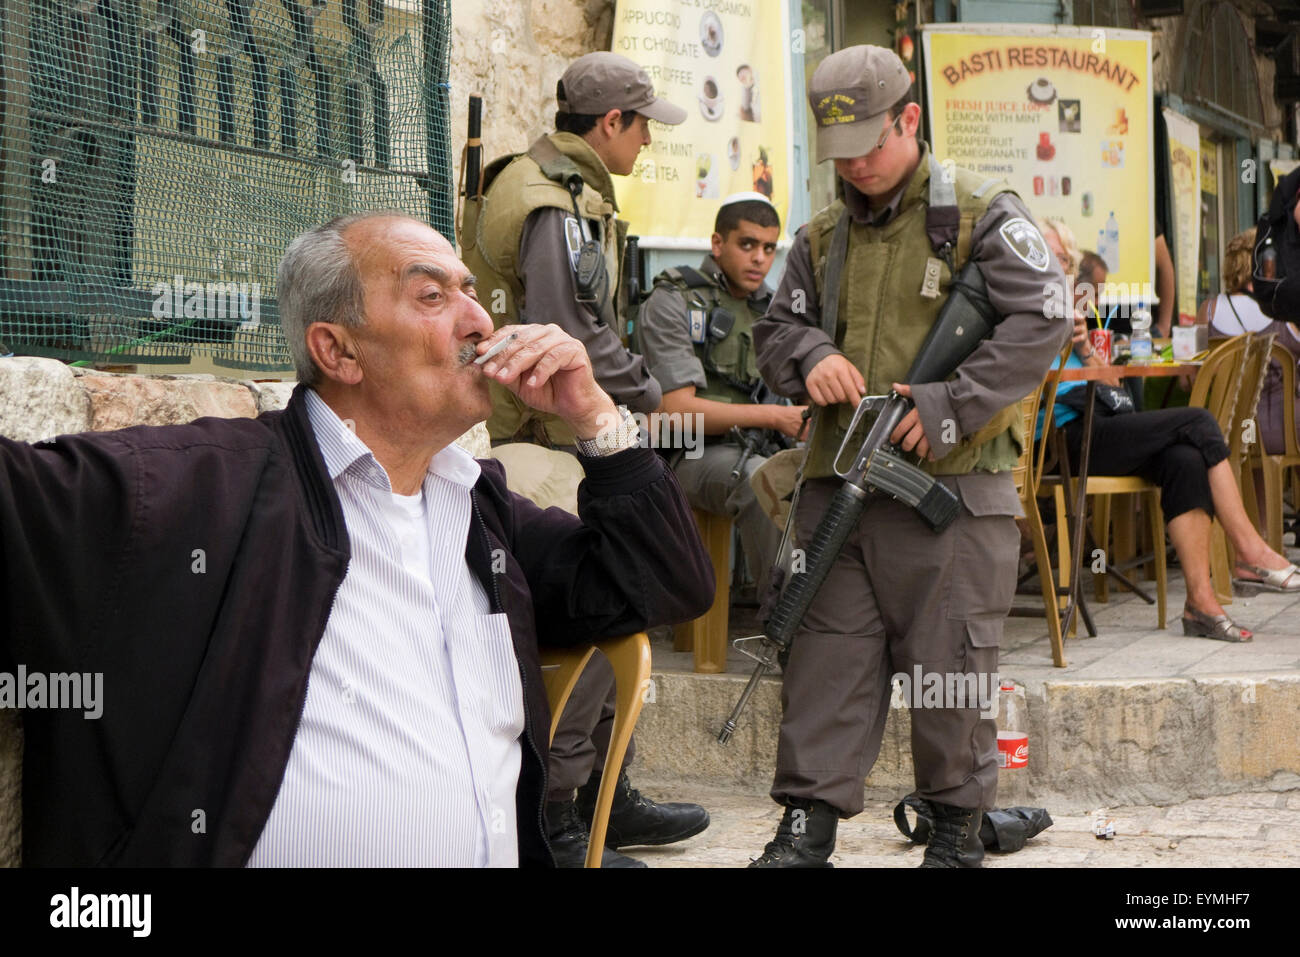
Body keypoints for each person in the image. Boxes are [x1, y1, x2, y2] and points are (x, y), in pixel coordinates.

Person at [0, 211, 714, 866]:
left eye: (471, 292)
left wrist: (593, 414)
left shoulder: (479, 508)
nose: (479, 321)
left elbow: (664, 583)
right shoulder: (205, 486)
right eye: (432, 296)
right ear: (338, 351)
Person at [749, 45, 1070, 868]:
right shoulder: (822, 237)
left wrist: (952, 406)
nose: (855, 166)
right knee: (824, 660)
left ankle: (957, 827)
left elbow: (1044, 315)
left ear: (911, 120)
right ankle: (806, 826)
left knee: (950, 664)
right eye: (841, 153)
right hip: (838, 488)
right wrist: (811, 354)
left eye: (870, 145)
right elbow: (775, 331)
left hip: (949, 493)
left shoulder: (984, 214)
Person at [461, 52, 710, 866]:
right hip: (539, 445)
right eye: (643, 127)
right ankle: (559, 813)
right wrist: (647, 395)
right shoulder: (550, 202)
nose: (648, 142)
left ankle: (608, 784)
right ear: (611, 123)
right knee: (603, 598)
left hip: (557, 437)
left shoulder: (562, 189)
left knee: (623, 599)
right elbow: (570, 335)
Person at [1037, 219, 1300, 643]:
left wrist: (1084, 348)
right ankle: (1249, 551)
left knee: (1185, 458)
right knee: (1198, 422)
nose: (1058, 268)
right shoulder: (1022, 310)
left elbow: (1114, 389)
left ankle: (1200, 604)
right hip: (1059, 440)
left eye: (1064, 260)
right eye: (1049, 258)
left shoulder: (1077, 314)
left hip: (1098, 424)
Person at [635, 192, 805, 601]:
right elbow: (676, 412)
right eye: (747, 244)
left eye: (769, 248)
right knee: (762, 479)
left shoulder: (774, 310)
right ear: (717, 243)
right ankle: (787, 618)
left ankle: (836, 616)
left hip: (760, 446)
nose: (759, 259)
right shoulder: (674, 299)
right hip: (687, 452)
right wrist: (774, 418)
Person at [1204, 228, 1300, 458]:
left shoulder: (1208, 311)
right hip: (1284, 433)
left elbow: (1188, 381)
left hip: (1229, 432)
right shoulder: (1283, 310)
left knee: (1248, 443)